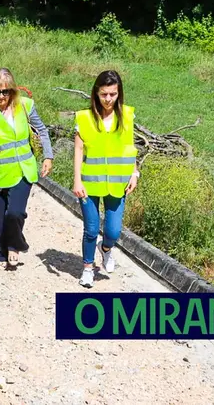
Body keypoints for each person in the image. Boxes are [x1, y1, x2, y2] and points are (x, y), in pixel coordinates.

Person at [0, 69, 53, 270]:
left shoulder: (25, 106)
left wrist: (48, 155)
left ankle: (15, 244)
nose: (1, 96)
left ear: (13, 91)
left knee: (15, 213)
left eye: (5, 92)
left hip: (22, 170)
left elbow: (41, 129)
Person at [72, 70, 139, 288]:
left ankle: (106, 248)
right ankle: (88, 268)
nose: (108, 99)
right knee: (91, 229)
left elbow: (130, 148)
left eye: (112, 94)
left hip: (118, 183)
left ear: (119, 94)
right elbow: (79, 149)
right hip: (90, 183)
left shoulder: (127, 116)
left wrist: (134, 173)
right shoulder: (84, 117)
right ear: (96, 93)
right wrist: (77, 180)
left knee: (113, 231)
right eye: (104, 94)